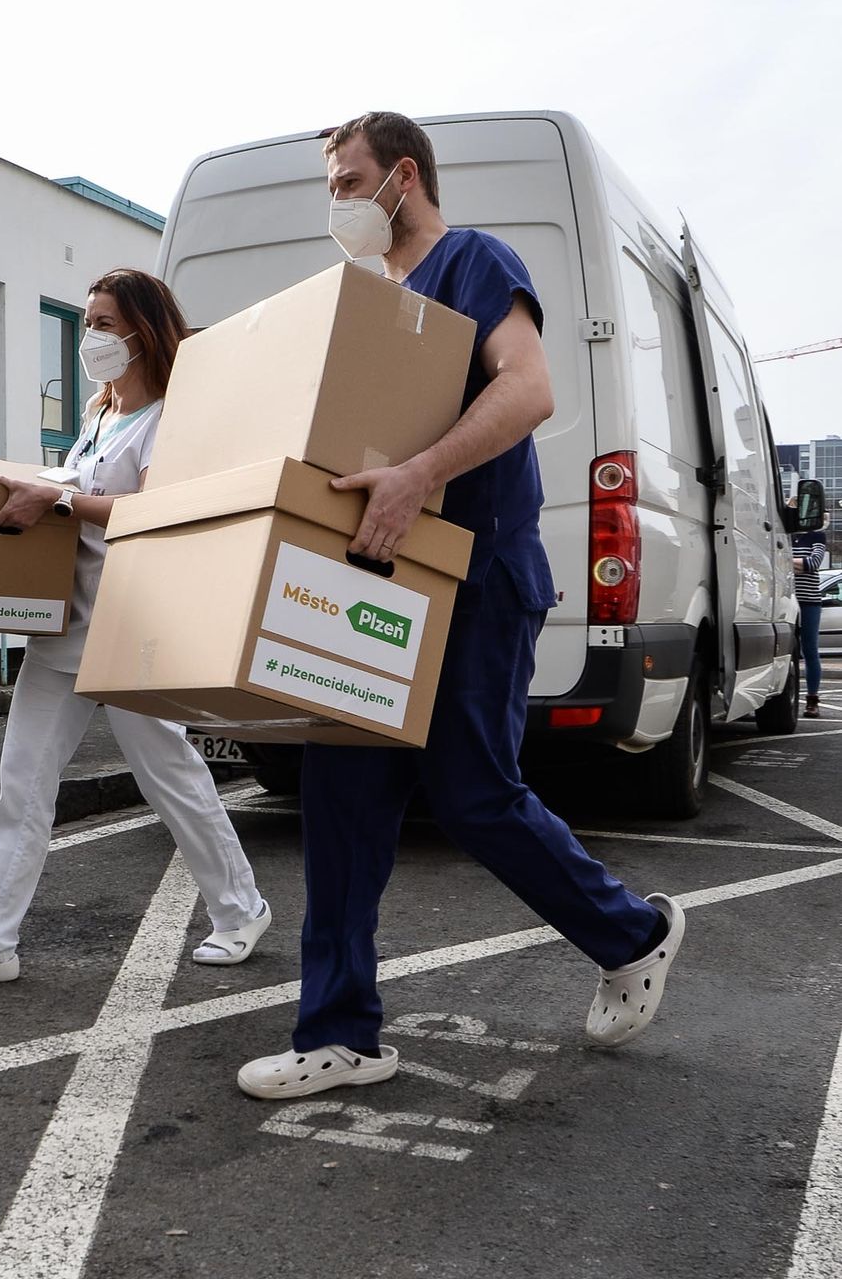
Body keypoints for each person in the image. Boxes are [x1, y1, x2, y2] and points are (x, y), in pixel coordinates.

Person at [237, 112, 683, 1101]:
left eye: (350, 180)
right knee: (341, 801)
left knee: (475, 795)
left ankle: (634, 932)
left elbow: (526, 390)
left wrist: (415, 475)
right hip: (381, 587)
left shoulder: (472, 261)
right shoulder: (369, 305)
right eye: (330, 186)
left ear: (405, 175)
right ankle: (340, 1033)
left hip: (475, 583)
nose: (338, 201)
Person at [0, 268, 270, 984]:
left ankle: (240, 909)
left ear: (143, 329)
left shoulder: (171, 414)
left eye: (105, 323)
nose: (92, 338)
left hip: (132, 628)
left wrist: (60, 498)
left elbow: (151, 508)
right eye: (88, 323)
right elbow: (79, 488)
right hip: (63, 628)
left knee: (170, 779)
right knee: (23, 781)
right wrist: (16, 480)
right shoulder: (100, 413)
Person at [792, 521, 828, 717]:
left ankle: (812, 701)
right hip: (784, 599)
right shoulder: (784, 536)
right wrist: (800, 563)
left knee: (810, 650)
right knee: (783, 651)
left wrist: (786, 560)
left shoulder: (816, 535)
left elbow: (814, 563)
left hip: (809, 601)